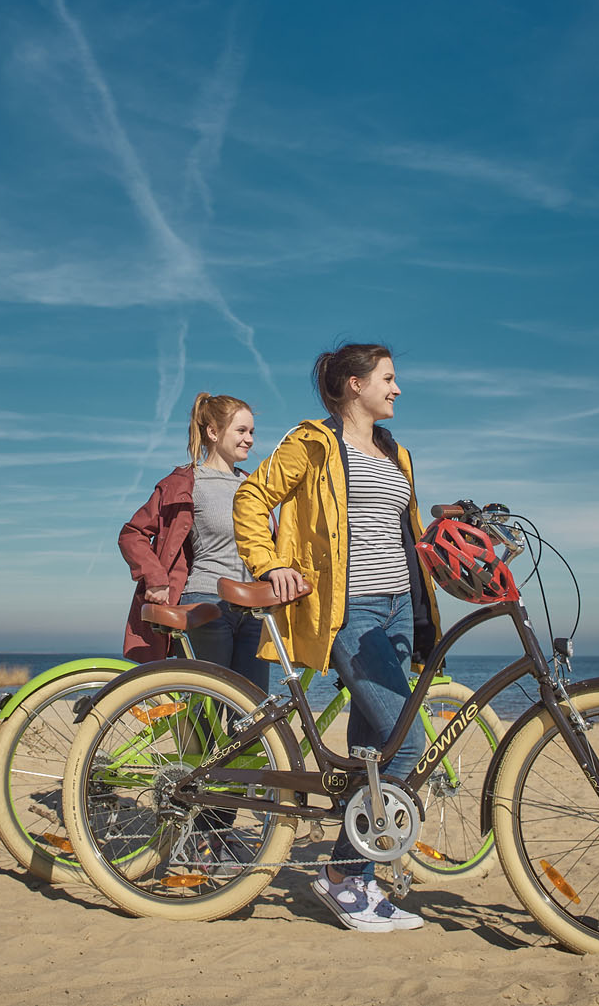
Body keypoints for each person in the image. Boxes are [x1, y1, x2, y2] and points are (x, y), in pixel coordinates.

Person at [231, 343, 442, 934]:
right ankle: (345, 875)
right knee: (405, 745)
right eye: (388, 378)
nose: (397, 389)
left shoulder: (396, 451)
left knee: (374, 748)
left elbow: (403, 531)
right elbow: (252, 496)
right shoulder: (313, 444)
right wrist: (268, 562)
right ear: (354, 385)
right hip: (348, 611)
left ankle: (364, 886)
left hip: (401, 607)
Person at [116, 392, 270, 694]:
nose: (250, 439)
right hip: (206, 603)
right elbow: (132, 533)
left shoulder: (254, 486)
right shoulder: (186, 483)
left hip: (253, 610)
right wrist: (155, 579)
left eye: (252, 432)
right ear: (213, 432)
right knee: (203, 708)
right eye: (241, 431)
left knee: (254, 712)